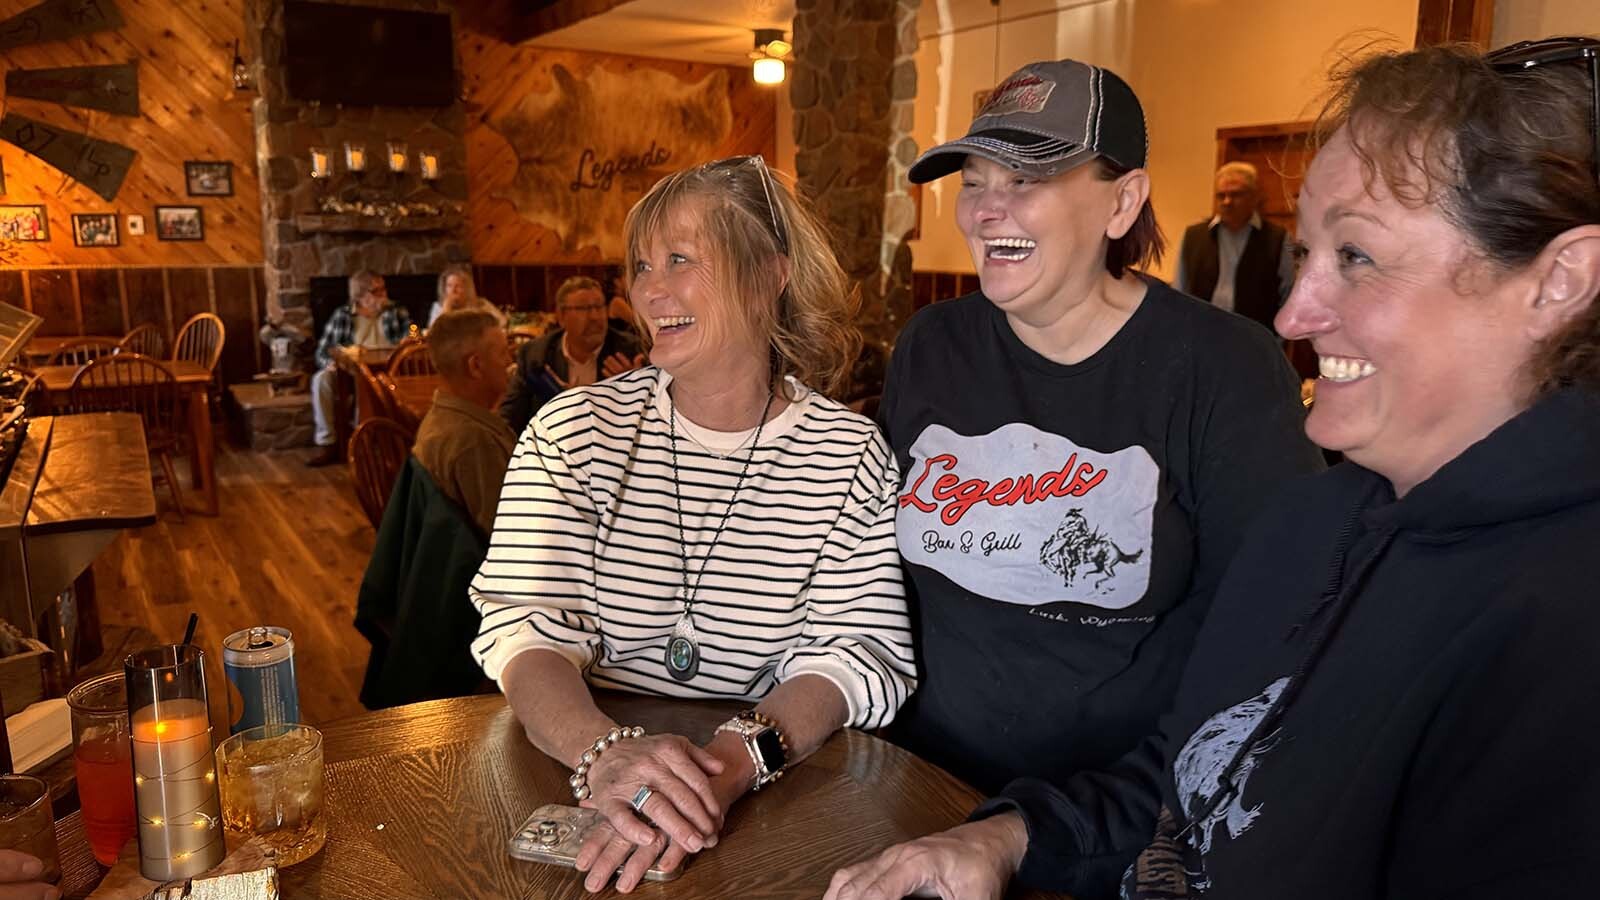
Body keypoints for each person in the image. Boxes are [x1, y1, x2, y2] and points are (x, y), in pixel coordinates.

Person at [826, 38, 1600, 900]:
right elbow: (1214, 762)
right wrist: (1014, 836)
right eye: (1308, 253)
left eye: (1357, 256)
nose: (1295, 315)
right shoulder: (1338, 525)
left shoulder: (1544, 607)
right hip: (942, 797)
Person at [875, 56, 1321, 813]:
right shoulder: (934, 346)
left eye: (1025, 181)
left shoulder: (1225, 370)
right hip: (920, 785)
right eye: (974, 182)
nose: (986, 209)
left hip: (1117, 817)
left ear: (1123, 204)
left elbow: (1264, 645)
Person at [469, 155, 916, 894]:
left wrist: (728, 766)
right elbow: (526, 625)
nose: (648, 289)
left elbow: (854, 653)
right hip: (569, 762)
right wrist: (606, 755)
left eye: (680, 259)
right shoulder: (572, 431)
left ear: (770, 274)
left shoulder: (847, 450)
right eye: (641, 265)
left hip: (758, 793)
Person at [410, 309, 516, 534]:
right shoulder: (474, 442)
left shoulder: (442, 417)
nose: (509, 362)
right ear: (475, 366)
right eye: (503, 353)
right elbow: (510, 535)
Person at [497, 275, 642, 435]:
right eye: (584, 309)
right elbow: (510, 418)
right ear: (561, 316)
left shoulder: (632, 352)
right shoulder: (536, 355)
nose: (595, 317)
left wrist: (633, 391)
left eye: (599, 307)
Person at [1174, 161, 1296, 331]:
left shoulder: (1278, 239)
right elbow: (1180, 290)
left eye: (1236, 194)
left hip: (1253, 339)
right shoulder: (1193, 236)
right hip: (1200, 334)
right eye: (1221, 195)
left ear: (1254, 197)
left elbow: (1289, 293)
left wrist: (1276, 339)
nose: (1227, 201)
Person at [308, 271, 411, 467]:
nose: (383, 294)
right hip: (350, 370)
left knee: (368, 384)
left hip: (388, 370)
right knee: (320, 379)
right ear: (360, 295)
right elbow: (322, 350)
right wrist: (328, 363)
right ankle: (327, 443)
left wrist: (406, 334)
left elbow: (410, 336)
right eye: (376, 290)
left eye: (383, 288)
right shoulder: (343, 315)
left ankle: (369, 440)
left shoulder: (396, 310)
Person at [427, 263, 496, 325]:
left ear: (467, 288)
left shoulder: (481, 304)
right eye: (449, 285)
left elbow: (502, 323)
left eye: (458, 286)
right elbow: (433, 332)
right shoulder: (438, 307)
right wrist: (446, 309)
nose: (453, 290)